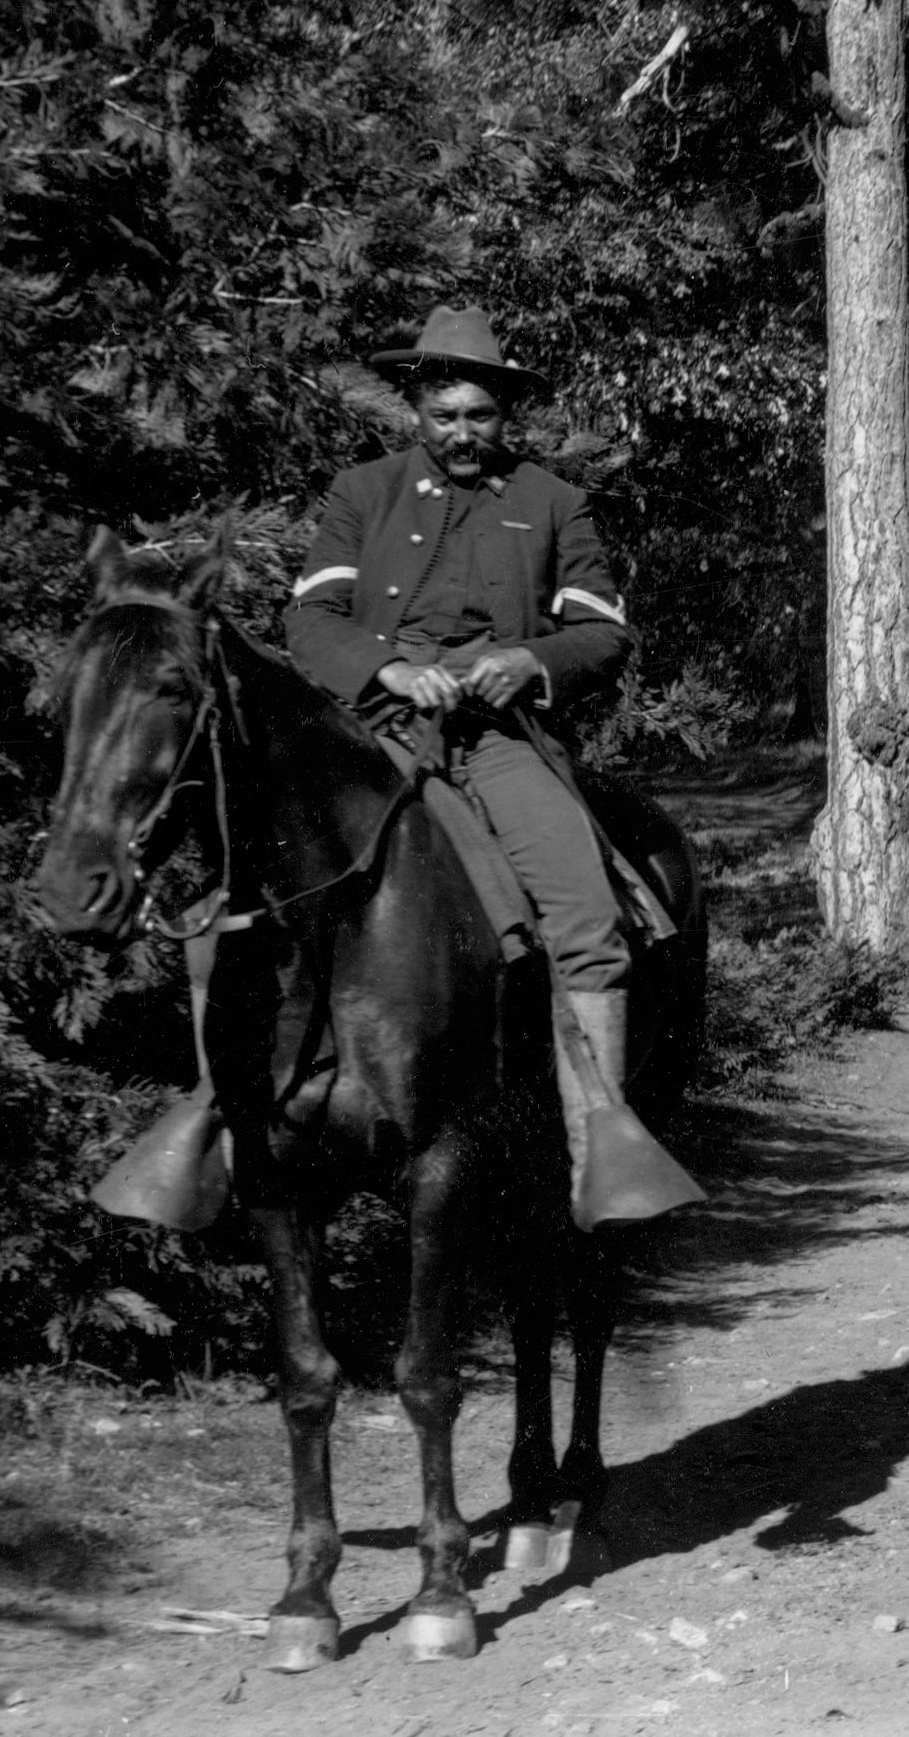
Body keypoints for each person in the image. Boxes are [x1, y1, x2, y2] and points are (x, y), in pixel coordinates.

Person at [286, 306, 699, 1227]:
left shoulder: (553, 500)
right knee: (267, 889)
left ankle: (601, 1149)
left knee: (590, 918)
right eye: (444, 415)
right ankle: (221, 1119)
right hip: (378, 727)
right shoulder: (363, 492)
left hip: (500, 735)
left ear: (505, 413)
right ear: (415, 409)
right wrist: (387, 667)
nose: (462, 434)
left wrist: (534, 662)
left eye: (480, 415)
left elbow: (601, 631)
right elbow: (311, 620)